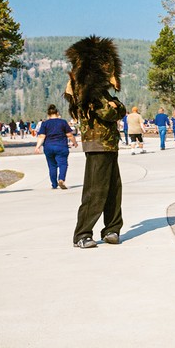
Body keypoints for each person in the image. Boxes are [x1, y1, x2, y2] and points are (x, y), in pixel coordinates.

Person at [65, 36, 128, 249]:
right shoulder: (87, 91)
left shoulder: (100, 92)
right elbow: (110, 112)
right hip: (97, 144)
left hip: (109, 144)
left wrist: (117, 106)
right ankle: (82, 234)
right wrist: (117, 106)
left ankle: (112, 229)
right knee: (95, 190)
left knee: (113, 189)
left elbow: (117, 109)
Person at [35, 104, 78, 190]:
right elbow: (69, 135)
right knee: (63, 164)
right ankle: (61, 179)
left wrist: (37, 146)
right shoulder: (63, 122)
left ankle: (54, 184)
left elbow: (41, 136)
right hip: (61, 146)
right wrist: (75, 143)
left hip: (48, 147)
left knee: (52, 166)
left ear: (48, 114)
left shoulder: (45, 123)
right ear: (57, 113)